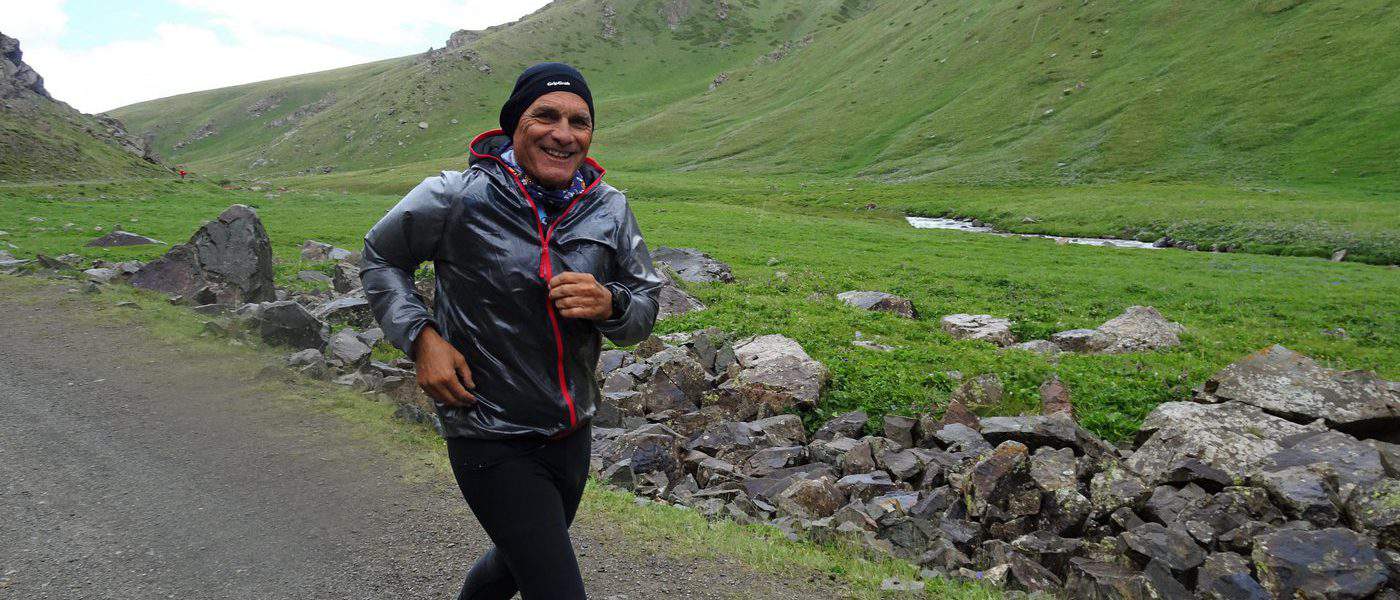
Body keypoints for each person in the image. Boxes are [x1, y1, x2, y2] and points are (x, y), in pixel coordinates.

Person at [360, 62, 662, 600]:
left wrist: (609, 302)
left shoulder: (609, 207)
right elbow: (382, 257)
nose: (563, 134)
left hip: (571, 429)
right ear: (513, 124)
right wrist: (422, 339)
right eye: (545, 116)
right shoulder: (454, 197)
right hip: (487, 428)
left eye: (579, 121)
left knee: (511, 564)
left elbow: (643, 308)